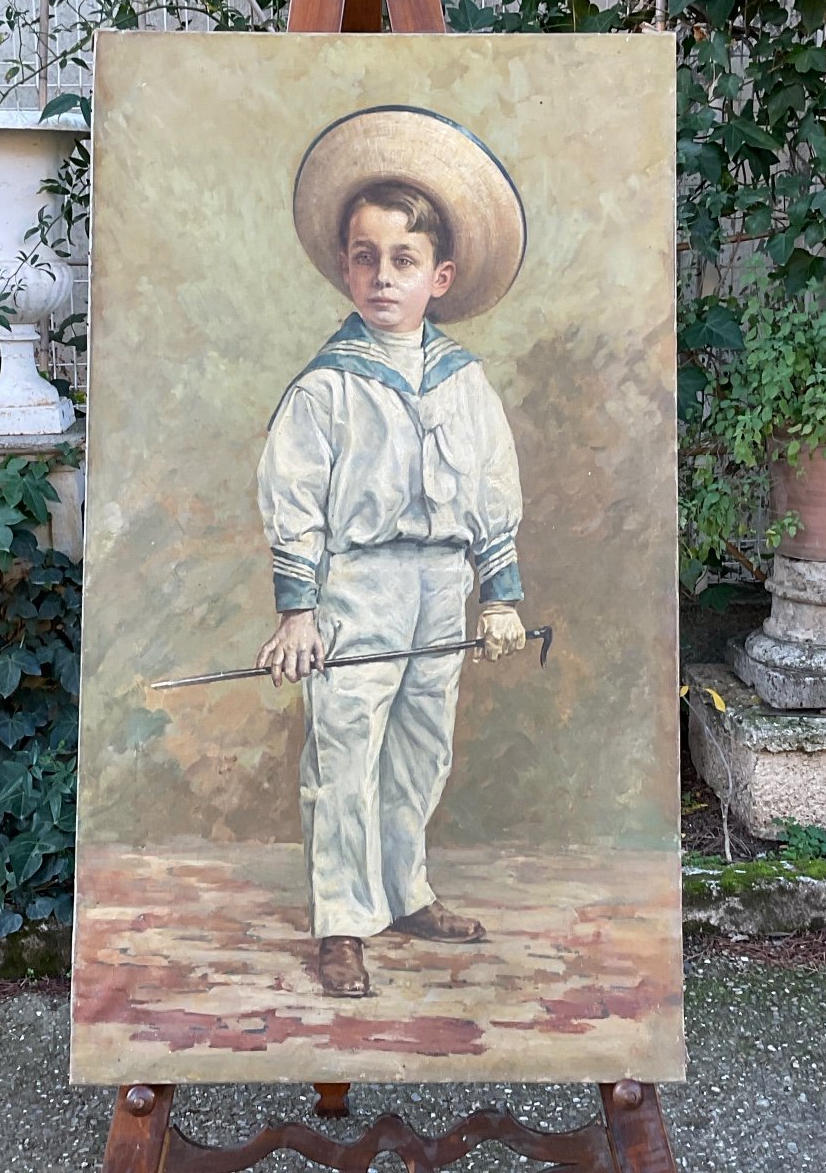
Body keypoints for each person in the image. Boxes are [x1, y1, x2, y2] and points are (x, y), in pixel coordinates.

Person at [255, 107, 529, 997]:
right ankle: (341, 920)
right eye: (365, 258)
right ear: (345, 266)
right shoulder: (327, 387)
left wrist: (498, 595)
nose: (382, 277)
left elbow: (491, 488)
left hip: (440, 585)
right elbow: (291, 497)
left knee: (420, 746)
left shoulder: (465, 383)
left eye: (404, 261)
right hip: (358, 591)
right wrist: (299, 612)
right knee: (345, 751)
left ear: (439, 276)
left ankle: (405, 890)